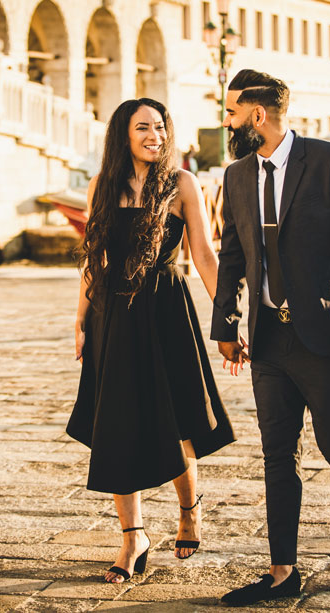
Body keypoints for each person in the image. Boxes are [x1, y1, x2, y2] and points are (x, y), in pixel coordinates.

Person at [211, 69, 330, 606]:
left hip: (328, 339)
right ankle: (282, 572)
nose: (227, 121)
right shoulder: (237, 175)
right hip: (268, 342)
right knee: (276, 457)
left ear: (257, 115)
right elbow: (233, 257)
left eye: (231, 112)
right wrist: (227, 324)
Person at [66, 98, 235, 584]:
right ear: (123, 134)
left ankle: (188, 511)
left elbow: (203, 253)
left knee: (178, 422)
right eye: (143, 127)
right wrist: (80, 318)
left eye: (160, 127)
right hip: (112, 315)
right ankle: (133, 535)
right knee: (117, 425)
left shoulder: (182, 184)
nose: (154, 135)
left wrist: (227, 314)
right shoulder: (102, 186)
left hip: (166, 311)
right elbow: (93, 257)